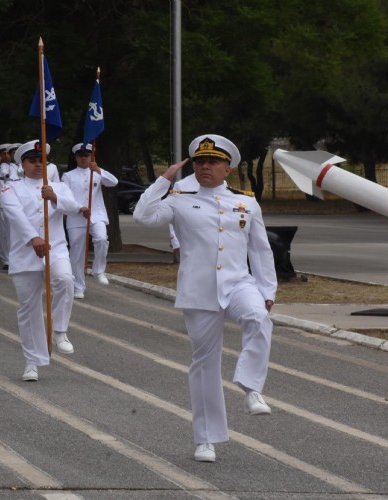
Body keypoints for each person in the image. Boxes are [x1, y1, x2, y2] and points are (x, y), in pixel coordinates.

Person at [133, 134, 277, 463]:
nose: (205, 166)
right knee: (204, 364)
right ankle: (206, 439)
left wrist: (267, 290)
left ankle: (250, 386)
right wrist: (163, 180)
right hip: (199, 290)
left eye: (213, 161)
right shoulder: (179, 197)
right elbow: (143, 216)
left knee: (258, 318)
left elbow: (260, 249)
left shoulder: (246, 201)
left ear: (228, 168)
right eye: (199, 161)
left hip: (238, 282)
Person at [0, 140, 81, 381]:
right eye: (32, 161)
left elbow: (74, 207)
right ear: (22, 164)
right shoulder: (10, 188)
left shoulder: (58, 186)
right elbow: (13, 214)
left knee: (65, 279)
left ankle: (60, 331)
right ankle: (31, 361)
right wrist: (33, 238)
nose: (38, 165)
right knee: (29, 308)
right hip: (25, 252)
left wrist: (54, 197)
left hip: (55, 249)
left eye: (41, 161)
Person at [62, 142, 119, 298]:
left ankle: (98, 270)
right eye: (80, 156)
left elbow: (114, 182)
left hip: (97, 214)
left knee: (101, 239)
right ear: (75, 157)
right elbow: (66, 197)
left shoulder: (97, 173)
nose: (83, 158)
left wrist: (99, 170)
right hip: (76, 216)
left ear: (91, 157)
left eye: (86, 155)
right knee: (77, 253)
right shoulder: (68, 176)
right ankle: (78, 286)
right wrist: (79, 208)